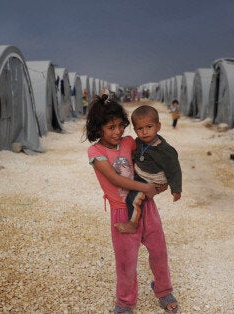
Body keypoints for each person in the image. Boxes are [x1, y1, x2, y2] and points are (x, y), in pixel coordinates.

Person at [86, 94, 179, 313]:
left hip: (147, 207)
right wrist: (145, 188)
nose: (118, 131)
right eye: (110, 127)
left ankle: (164, 290)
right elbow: (115, 179)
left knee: (159, 252)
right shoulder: (96, 152)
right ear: (98, 129)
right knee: (126, 261)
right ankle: (125, 302)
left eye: (121, 126)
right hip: (122, 212)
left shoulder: (129, 142)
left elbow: (154, 155)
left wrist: (162, 182)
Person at [117, 105, 182, 234]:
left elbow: (174, 169)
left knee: (133, 198)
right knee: (126, 184)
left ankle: (133, 224)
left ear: (158, 126)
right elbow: (135, 155)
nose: (145, 132)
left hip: (153, 181)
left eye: (149, 127)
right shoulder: (139, 142)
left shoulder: (165, 150)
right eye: (140, 128)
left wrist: (176, 189)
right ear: (135, 130)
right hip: (142, 175)